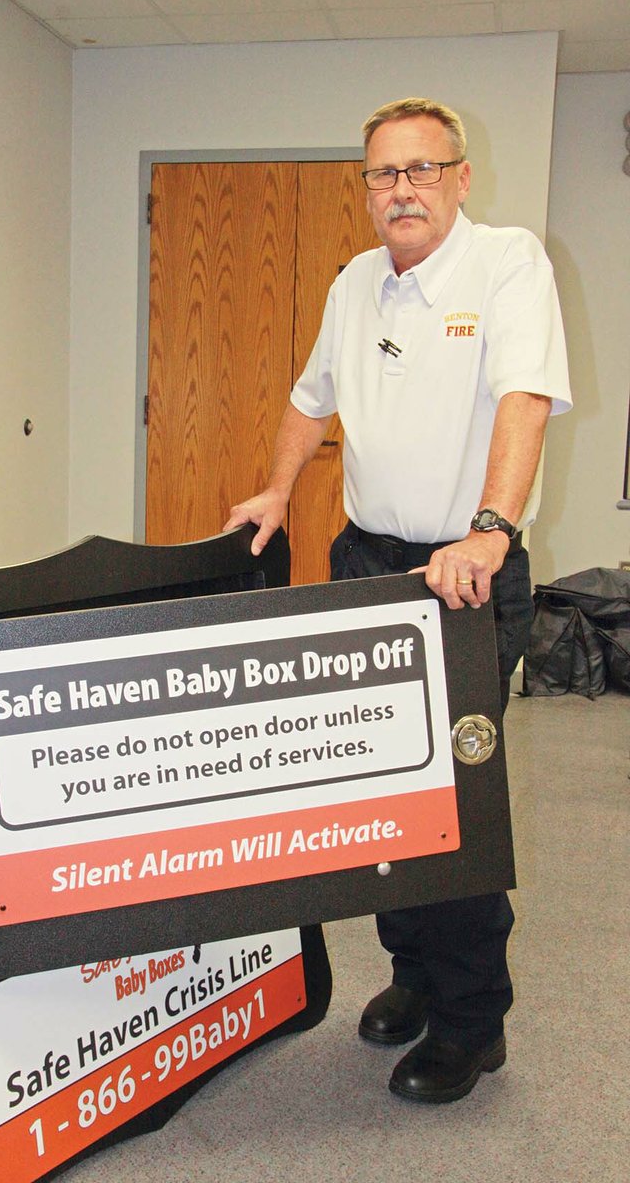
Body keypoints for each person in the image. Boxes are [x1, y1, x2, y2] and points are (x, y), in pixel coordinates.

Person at [224, 97, 571, 1103]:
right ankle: (410, 980)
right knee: (378, 797)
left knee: (450, 809)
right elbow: (306, 397)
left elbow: (522, 399)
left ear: (460, 177)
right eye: (383, 173)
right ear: (366, 190)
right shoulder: (353, 284)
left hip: (462, 573)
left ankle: (471, 1024)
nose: (402, 188)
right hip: (366, 564)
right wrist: (278, 488)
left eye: (422, 168)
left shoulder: (505, 264)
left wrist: (490, 528)